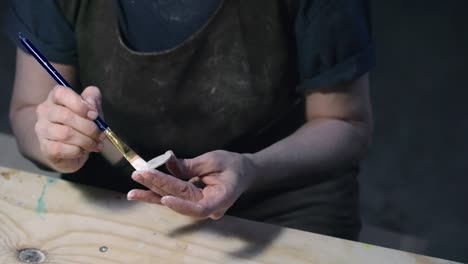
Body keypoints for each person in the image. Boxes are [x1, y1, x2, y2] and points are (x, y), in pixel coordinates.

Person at [7, 0, 374, 240]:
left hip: (277, 188)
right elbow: (28, 110)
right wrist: (55, 142)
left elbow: (346, 124)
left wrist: (252, 169)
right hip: (118, 187)